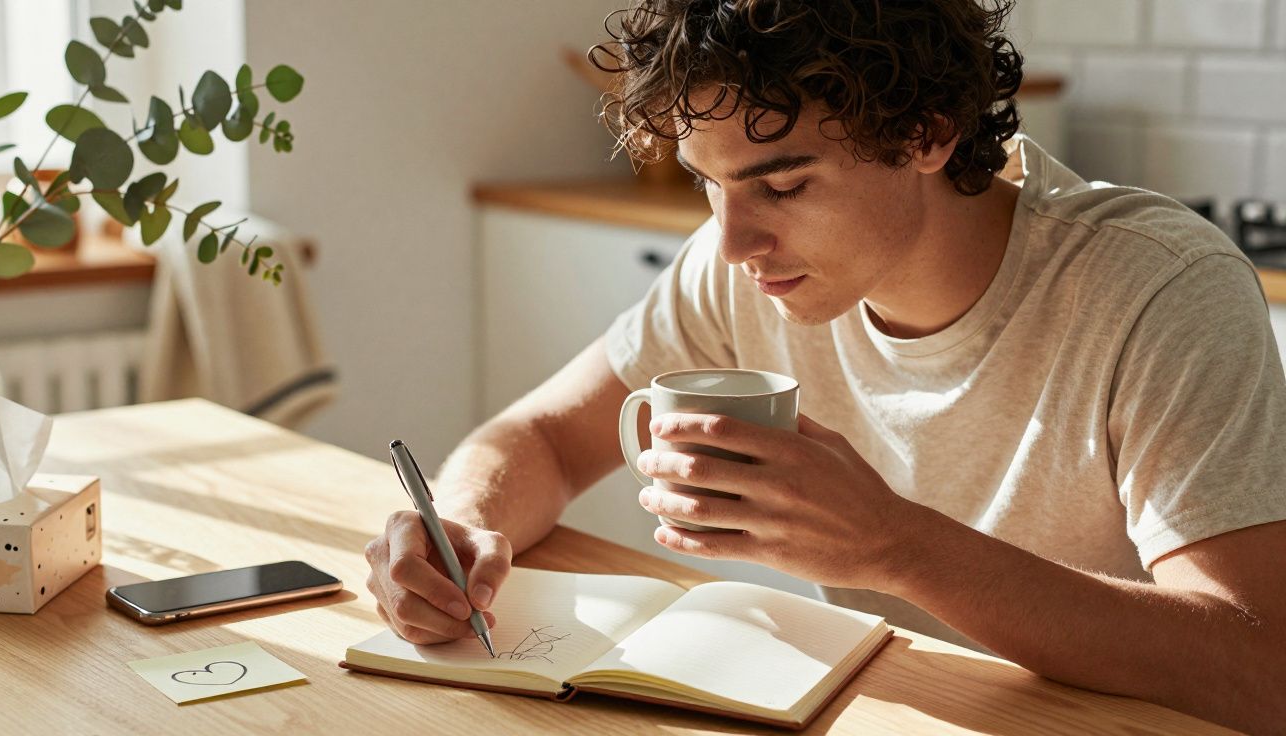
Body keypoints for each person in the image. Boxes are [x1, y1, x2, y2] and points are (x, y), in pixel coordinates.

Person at [364, 1, 1286, 731]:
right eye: (707, 183)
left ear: (928, 133)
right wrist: (457, 532)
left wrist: (896, 546)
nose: (730, 242)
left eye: (784, 183)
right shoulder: (743, 267)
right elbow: (545, 437)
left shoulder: (1159, 290)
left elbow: (1260, 671)